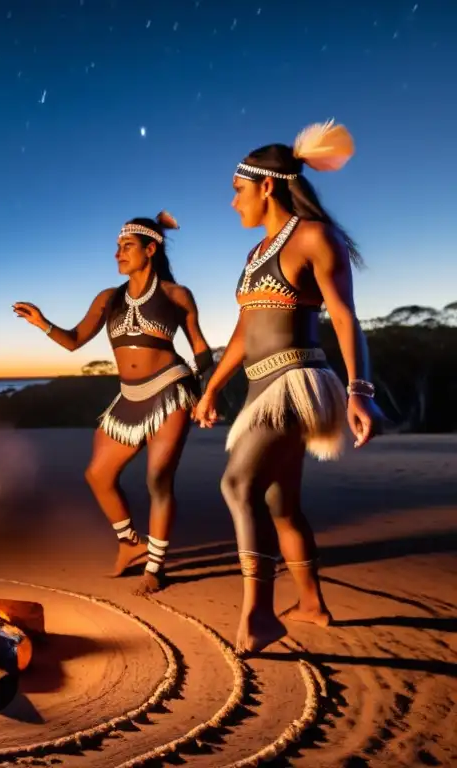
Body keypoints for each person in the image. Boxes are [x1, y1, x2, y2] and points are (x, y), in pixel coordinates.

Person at [193, 120, 383, 655]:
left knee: (237, 487)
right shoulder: (256, 256)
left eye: (238, 190)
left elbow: (345, 318)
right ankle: (312, 604)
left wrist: (359, 390)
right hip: (259, 387)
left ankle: (258, 615)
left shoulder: (315, 237)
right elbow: (242, 332)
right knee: (280, 503)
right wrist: (212, 389)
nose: (233, 202)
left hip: (297, 382)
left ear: (267, 185)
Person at [14, 212, 213, 593]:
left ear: (150, 249)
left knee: (159, 479)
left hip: (170, 390)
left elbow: (201, 349)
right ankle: (130, 544)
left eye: (127, 247)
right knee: (98, 475)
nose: (118, 254)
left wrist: (206, 393)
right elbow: (74, 341)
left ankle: (155, 568)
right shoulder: (108, 298)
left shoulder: (176, 295)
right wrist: (43, 323)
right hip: (128, 397)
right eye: (117, 247)